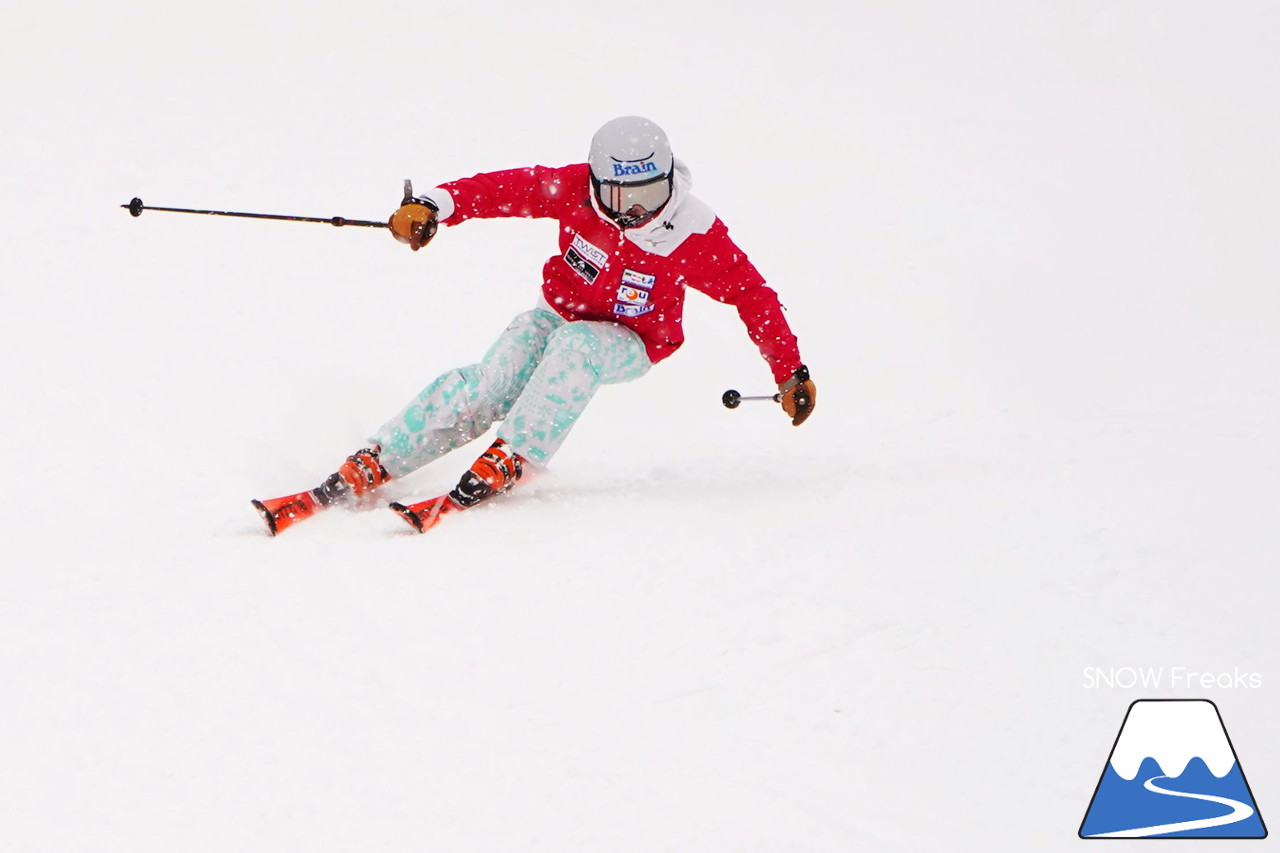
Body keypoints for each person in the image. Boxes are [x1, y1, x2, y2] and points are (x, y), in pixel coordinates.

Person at [252, 116, 815, 535]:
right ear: (598, 182)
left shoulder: (690, 230)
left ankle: (516, 454)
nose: (634, 210)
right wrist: (435, 205)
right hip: (560, 313)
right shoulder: (574, 191)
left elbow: (752, 295)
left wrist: (789, 372)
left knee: (576, 347)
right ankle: (384, 455)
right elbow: (505, 190)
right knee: (496, 376)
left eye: (648, 194)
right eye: (620, 194)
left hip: (634, 339)